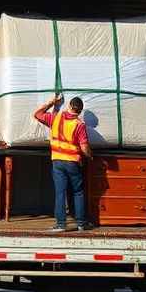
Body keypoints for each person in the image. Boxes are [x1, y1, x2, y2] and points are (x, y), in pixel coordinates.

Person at [33, 94, 93, 232]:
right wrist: (90, 156)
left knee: (60, 192)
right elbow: (84, 147)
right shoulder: (79, 125)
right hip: (72, 162)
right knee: (78, 192)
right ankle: (81, 223)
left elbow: (37, 114)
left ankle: (61, 224)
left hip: (57, 161)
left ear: (69, 106)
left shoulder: (56, 118)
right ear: (80, 110)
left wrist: (52, 102)